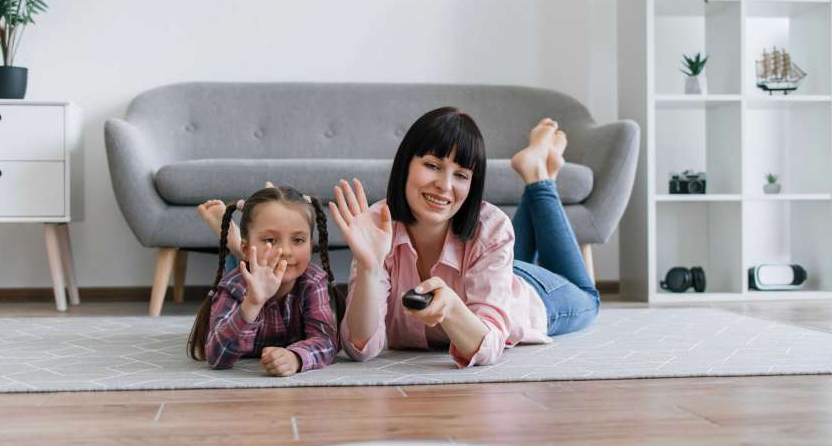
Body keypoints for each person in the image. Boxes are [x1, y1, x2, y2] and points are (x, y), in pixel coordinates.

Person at [329, 107, 599, 368]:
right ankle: (538, 168)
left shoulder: (490, 227)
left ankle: (540, 177)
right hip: (487, 270)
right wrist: (369, 268)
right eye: (432, 165)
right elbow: (359, 346)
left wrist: (452, 309)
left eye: (461, 174)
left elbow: (489, 345)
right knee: (497, 251)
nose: (445, 185)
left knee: (589, 300)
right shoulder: (377, 229)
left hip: (525, 291)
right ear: (405, 165)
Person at [186, 185, 342, 377]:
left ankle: (236, 242)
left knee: (255, 260)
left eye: (298, 240)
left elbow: (326, 341)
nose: (286, 250)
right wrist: (252, 303)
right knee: (246, 266)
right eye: (271, 239)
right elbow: (217, 357)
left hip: (252, 256)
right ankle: (235, 241)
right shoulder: (233, 286)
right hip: (247, 272)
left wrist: (296, 357)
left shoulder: (312, 281)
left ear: (311, 245)